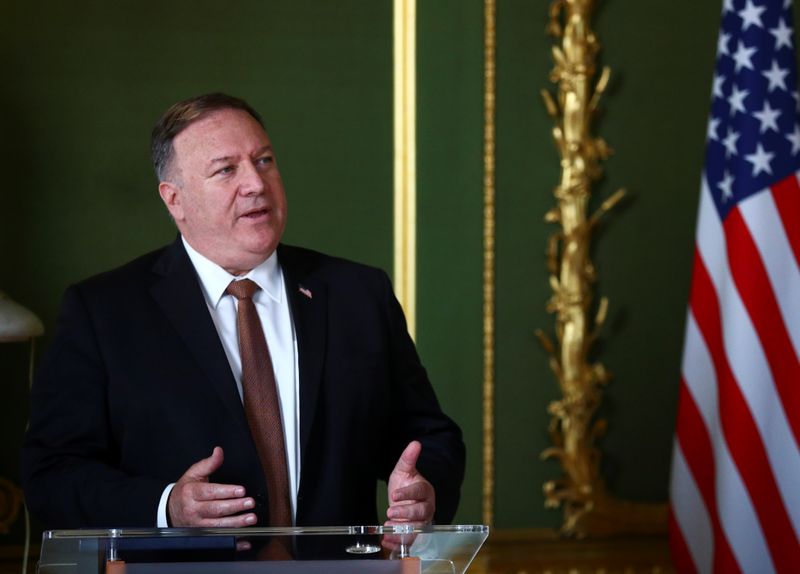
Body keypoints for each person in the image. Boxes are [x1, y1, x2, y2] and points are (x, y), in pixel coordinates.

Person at [21, 93, 465, 531]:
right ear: (174, 199)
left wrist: (425, 491)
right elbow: (51, 475)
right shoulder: (105, 312)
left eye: (265, 161)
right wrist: (166, 507)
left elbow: (431, 437)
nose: (255, 183)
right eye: (226, 169)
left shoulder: (357, 294)